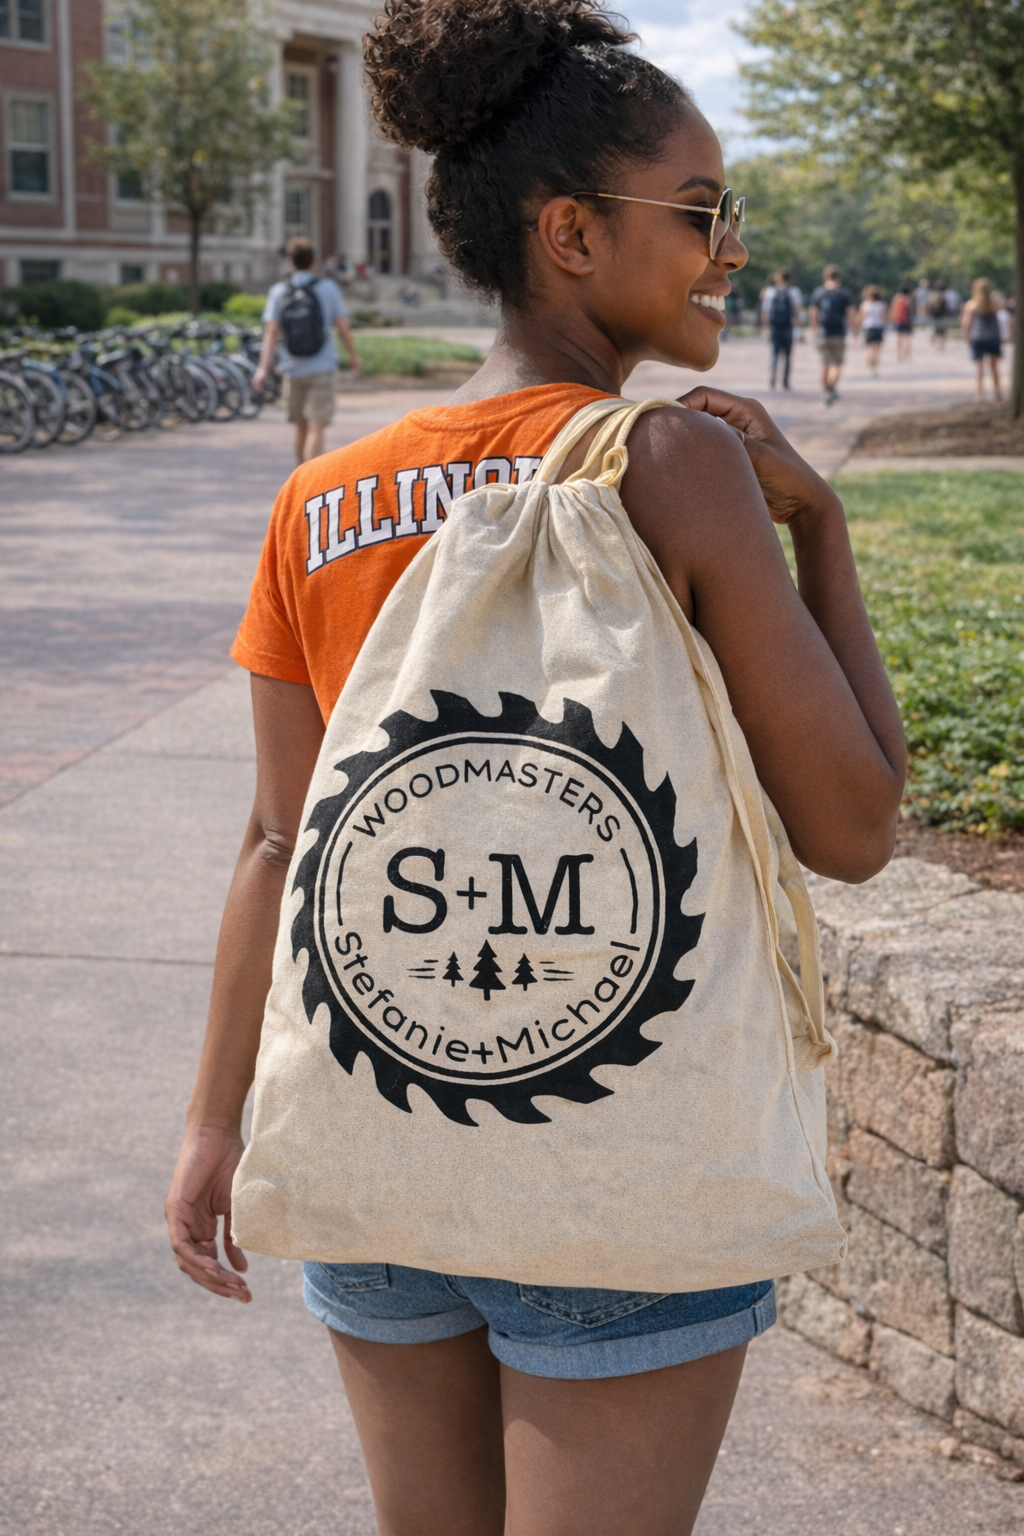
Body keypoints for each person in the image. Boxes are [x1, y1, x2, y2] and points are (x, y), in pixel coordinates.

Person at [165, 4, 905, 1532]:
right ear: (572, 232)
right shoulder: (679, 467)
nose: (730, 248)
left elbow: (275, 843)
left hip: (383, 1131)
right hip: (616, 1161)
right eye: (701, 212)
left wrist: (215, 1125)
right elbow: (854, 824)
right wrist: (817, 528)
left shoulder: (321, 499)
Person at [254, 236, 362, 465]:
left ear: (289, 262)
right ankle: (311, 488)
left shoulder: (278, 291)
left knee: (301, 427)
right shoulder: (327, 288)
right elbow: (341, 327)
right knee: (316, 427)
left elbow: (271, 332)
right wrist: (353, 356)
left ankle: (299, 480)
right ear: (313, 261)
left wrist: (263, 368)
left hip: (292, 367)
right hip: (322, 366)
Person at [809, 265, 856, 404]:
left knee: (824, 365)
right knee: (836, 365)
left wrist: (815, 329)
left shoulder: (818, 292)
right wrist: (854, 330)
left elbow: (813, 313)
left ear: (825, 277)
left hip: (823, 333)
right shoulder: (844, 293)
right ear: (839, 277)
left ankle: (824, 393)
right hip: (838, 334)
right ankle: (831, 388)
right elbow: (850, 314)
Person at [962, 277, 1004, 402]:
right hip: (993, 337)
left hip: (978, 337)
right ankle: (997, 393)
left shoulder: (971, 305)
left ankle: (980, 395)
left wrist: (967, 337)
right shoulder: (995, 304)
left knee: (979, 368)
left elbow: (966, 323)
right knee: (994, 367)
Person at [762, 268, 801, 389]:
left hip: (774, 326)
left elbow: (765, 311)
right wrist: (798, 330)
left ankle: (773, 379)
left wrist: (766, 327)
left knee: (775, 353)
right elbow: (797, 312)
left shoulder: (770, 291)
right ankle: (785, 382)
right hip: (788, 327)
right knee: (788, 355)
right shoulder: (794, 291)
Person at [856, 285, 887, 375]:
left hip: (868, 327)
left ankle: (869, 365)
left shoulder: (865, 304)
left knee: (868, 348)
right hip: (878, 327)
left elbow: (861, 317)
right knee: (877, 349)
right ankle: (875, 367)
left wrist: (857, 327)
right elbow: (884, 318)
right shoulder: (882, 304)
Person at [889, 284, 913, 362]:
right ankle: (907, 355)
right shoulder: (908, 299)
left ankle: (898, 354)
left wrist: (892, 319)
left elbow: (893, 310)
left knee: (898, 338)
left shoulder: (896, 298)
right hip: (907, 321)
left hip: (898, 320)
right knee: (907, 338)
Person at [926, 280, 949, 349]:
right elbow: (946, 307)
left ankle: (933, 345)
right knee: (942, 331)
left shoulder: (931, 295)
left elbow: (927, 305)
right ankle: (941, 345)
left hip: (933, 315)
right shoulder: (943, 296)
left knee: (933, 331)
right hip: (942, 316)